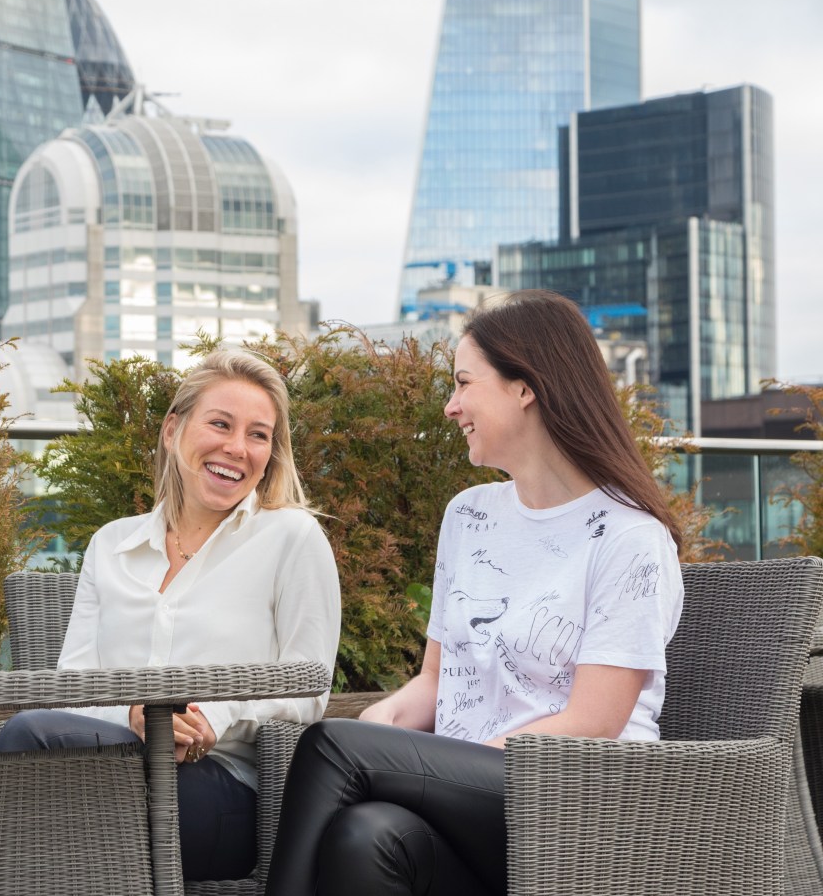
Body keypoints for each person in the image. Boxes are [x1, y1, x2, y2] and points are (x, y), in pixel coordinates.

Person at [265, 289, 685, 896]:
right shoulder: (470, 515)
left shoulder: (630, 539)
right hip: (477, 797)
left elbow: (594, 722)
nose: (450, 406)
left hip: (583, 802)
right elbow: (437, 681)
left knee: (334, 748)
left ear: (525, 388)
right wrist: (385, 726)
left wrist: (441, 767)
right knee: (365, 836)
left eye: (464, 383)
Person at [0, 348, 342, 881]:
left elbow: (308, 687)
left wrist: (213, 717)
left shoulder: (292, 537)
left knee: (29, 747)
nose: (237, 448)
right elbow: (71, 689)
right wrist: (134, 715)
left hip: (223, 790)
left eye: (258, 435)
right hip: (110, 766)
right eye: (220, 424)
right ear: (172, 430)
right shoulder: (112, 545)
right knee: (35, 757)